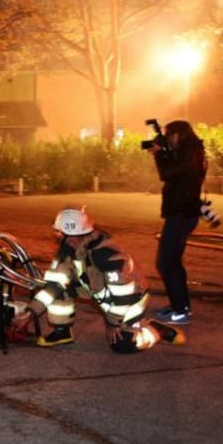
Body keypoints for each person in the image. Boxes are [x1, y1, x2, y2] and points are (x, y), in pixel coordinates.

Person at [13, 208, 185, 353]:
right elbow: (53, 285)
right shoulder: (69, 249)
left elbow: (123, 295)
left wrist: (113, 322)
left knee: (122, 344)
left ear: (71, 235)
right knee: (59, 289)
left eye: (58, 232)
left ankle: (156, 330)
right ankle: (62, 331)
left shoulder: (105, 254)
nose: (55, 234)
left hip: (132, 298)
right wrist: (31, 312)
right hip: (102, 294)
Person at [148, 120, 207, 325]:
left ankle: (181, 310)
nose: (168, 139)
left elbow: (167, 174)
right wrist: (164, 152)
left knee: (166, 262)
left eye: (169, 135)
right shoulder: (191, 151)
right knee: (172, 261)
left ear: (177, 135)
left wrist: (159, 154)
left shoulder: (189, 153)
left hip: (181, 214)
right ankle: (179, 306)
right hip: (182, 213)